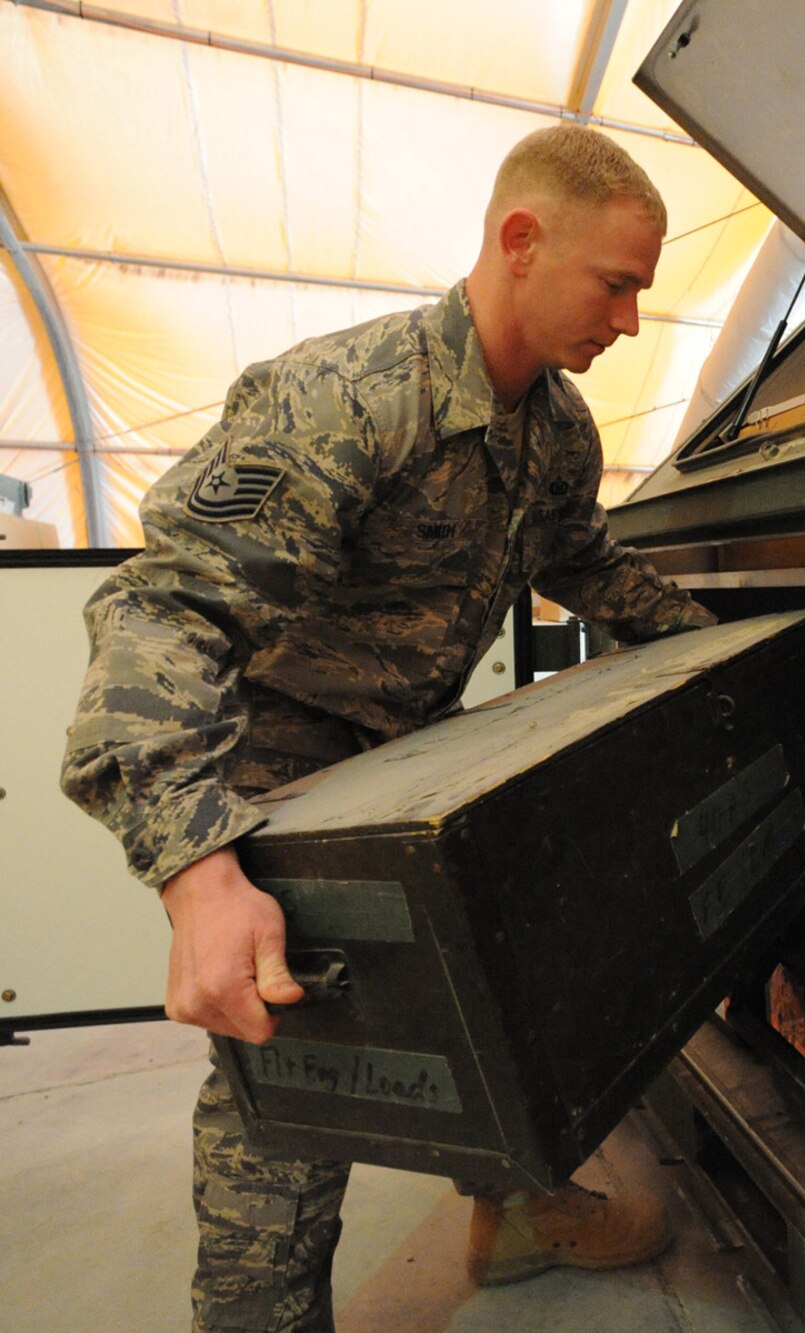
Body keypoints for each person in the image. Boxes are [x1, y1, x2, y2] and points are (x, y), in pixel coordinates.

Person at [60, 123, 716, 1330]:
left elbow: (585, 560)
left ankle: (513, 1209)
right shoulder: (349, 397)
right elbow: (160, 608)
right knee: (300, 1087)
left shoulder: (555, 430)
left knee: (492, 995)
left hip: (412, 756)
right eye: (615, 284)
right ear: (521, 242)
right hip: (276, 772)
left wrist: (714, 646)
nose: (629, 322)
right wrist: (199, 870)